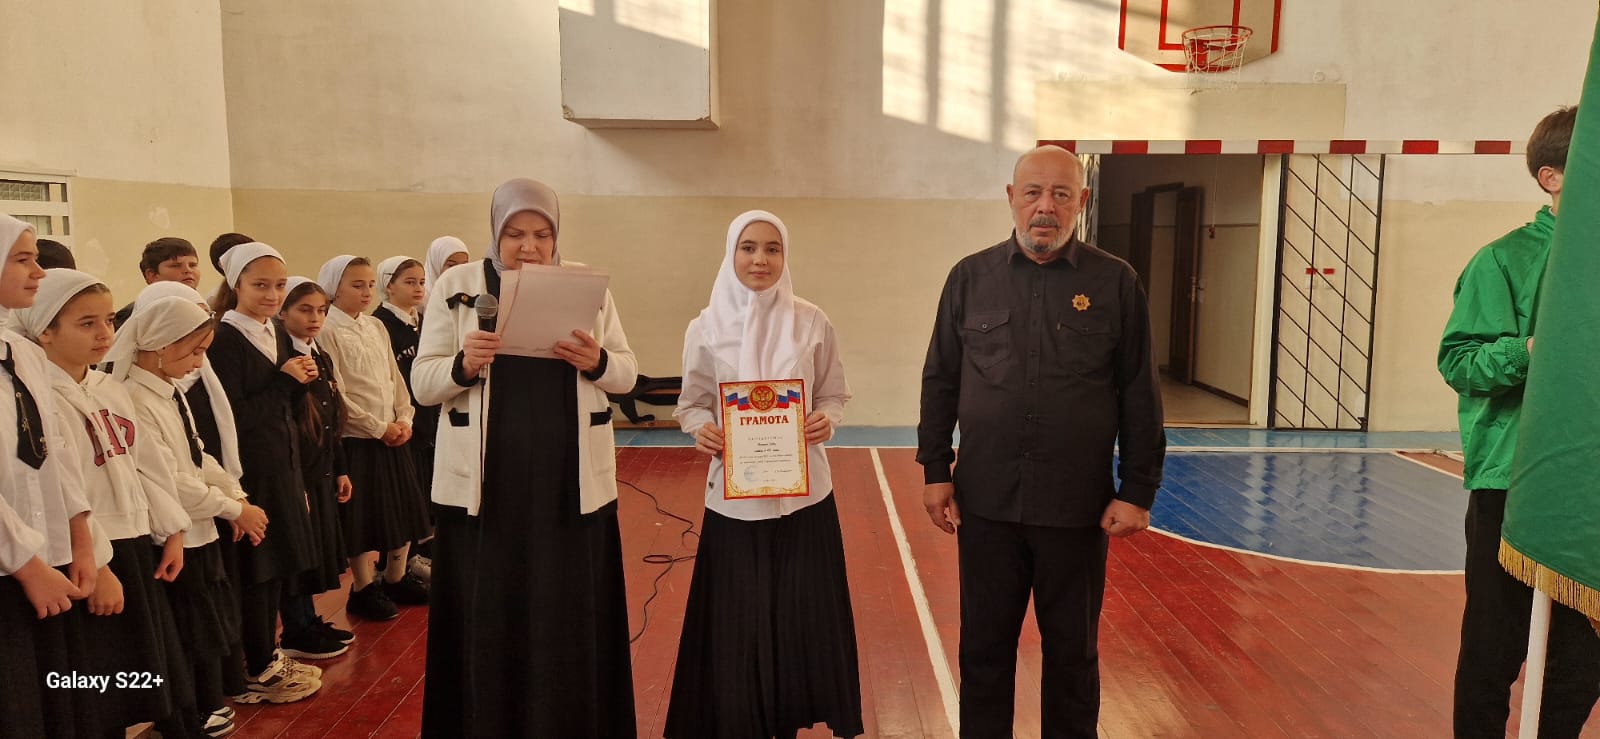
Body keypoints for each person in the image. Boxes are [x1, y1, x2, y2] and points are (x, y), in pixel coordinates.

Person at [917, 145, 1166, 737]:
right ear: (1012, 198)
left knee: (1073, 656)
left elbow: (1139, 391)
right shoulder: (969, 277)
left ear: (1082, 201)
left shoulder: (1116, 282)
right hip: (987, 504)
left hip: (1075, 509)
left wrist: (1137, 490)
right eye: (1032, 193)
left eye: (1060, 194)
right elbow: (940, 378)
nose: (1045, 207)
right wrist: (935, 469)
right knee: (983, 652)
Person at [414, 178, 638, 737]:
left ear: (556, 236)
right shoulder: (458, 285)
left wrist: (597, 360)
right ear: (496, 232)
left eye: (542, 234)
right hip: (486, 492)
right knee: (490, 613)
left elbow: (627, 374)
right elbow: (423, 382)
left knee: (566, 611)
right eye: (515, 233)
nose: (529, 246)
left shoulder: (585, 286)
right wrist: (462, 365)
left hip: (569, 487)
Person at [665, 210, 862, 739]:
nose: (760, 259)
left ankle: (787, 720)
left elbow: (835, 393)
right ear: (731, 254)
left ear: (784, 256)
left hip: (805, 501)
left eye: (772, 248)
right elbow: (691, 404)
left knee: (799, 620)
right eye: (748, 247)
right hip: (735, 504)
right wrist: (702, 429)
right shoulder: (705, 327)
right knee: (739, 621)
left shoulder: (812, 321)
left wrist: (827, 420)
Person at [1439, 106, 1600, 738]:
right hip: (1514, 481)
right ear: (1551, 177)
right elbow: (1460, 361)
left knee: (1584, 656)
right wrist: (1533, 349)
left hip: (1589, 486)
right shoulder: (1503, 260)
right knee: (1493, 646)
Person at [16, 270, 198, 736]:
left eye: (110, 320)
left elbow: (146, 467)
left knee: (141, 676)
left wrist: (172, 529)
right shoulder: (38, 396)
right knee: (96, 685)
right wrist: (97, 564)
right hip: (88, 554)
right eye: (87, 323)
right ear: (45, 331)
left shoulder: (109, 388)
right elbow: (63, 490)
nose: (104, 333)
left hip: (134, 543)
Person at [208, 242, 324, 702]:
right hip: (251, 474)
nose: (272, 295)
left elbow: (282, 411)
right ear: (236, 285)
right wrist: (284, 380)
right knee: (258, 570)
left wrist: (299, 383)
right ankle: (254, 665)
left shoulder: (272, 330)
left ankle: (266, 653)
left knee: (277, 569)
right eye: (260, 285)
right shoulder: (225, 339)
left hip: (281, 467)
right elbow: (232, 417)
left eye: (278, 285)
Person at [0, 215, 96, 739]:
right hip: (15, 564)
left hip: (49, 556)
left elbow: (53, 450)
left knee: (54, 701)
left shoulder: (24, 353)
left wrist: (80, 538)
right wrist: (25, 563)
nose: (39, 272)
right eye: (22, 260)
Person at [317, 255, 431, 620]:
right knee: (363, 518)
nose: (367, 292)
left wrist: (404, 416)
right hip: (360, 438)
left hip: (394, 433)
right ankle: (363, 587)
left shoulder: (375, 326)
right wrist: (378, 427)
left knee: (404, 508)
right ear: (334, 288)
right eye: (356, 285)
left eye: (369, 284)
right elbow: (337, 392)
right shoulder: (327, 330)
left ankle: (395, 577)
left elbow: (395, 379)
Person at [373, 255, 437, 583]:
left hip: (423, 417)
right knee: (402, 498)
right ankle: (396, 566)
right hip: (399, 422)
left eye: (421, 282)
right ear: (389, 285)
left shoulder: (421, 320)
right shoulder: (381, 323)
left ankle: (417, 555)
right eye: (409, 282)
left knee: (420, 493)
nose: (418, 288)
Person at [113, 237, 205, 329]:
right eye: (175, 266)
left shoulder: (204, 308)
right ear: (152, 275)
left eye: (193, 265)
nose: (188, 270)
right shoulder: (133, 316)